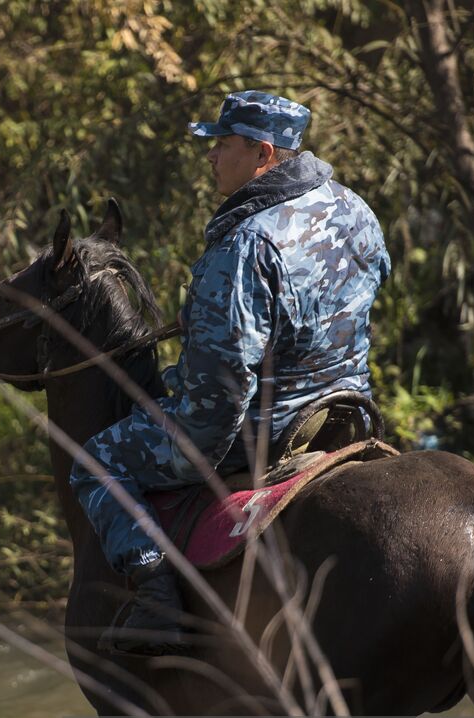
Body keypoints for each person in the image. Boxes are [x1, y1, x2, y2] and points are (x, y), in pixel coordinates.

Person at [69, 90, 391, 657]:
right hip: (348, 412)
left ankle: (157, 599)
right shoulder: (354, 208)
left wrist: (187, 446)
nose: (212, 156)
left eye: (222, 144)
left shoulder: (246, 244)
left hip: (269, 428)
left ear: (263, 154)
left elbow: (219, 396)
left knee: (96, 462)